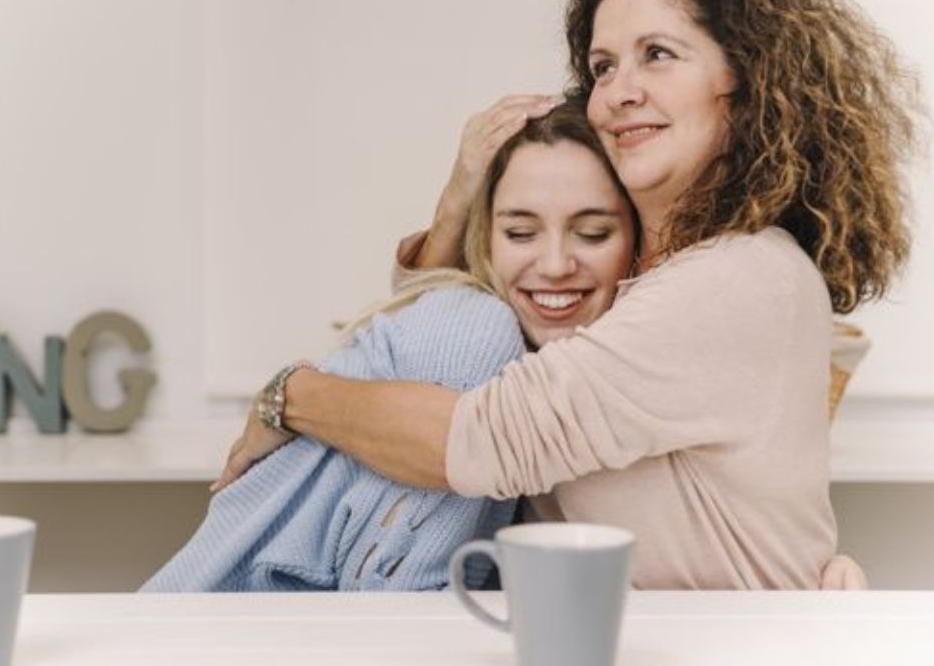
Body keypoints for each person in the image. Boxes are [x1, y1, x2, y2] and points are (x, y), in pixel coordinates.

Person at [213, 0, 919, 590]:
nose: (619, 90)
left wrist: (290, 396)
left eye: (658, 54)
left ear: (747, 81)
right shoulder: (633, 279)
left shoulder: (740, 275)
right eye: (603, 66)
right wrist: (460, 201)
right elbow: (447, 341)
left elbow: (479, 440)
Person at [143, 104, 636, 592]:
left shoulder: (560, 367)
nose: (554, 264)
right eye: (520, 233)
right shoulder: (475, 331)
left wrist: (287, 394)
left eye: (592, 234)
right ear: (486, 241)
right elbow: (389, 601)